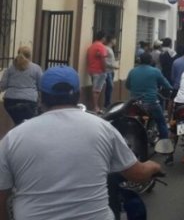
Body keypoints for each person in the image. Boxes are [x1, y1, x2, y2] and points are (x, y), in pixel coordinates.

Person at [0, 66, 162, 220]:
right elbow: (137, 174)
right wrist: (154, 166)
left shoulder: (13, 138)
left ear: (41, 96)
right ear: (77, 95)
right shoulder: (103, 129)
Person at [126, 52, 173, 145]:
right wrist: (170, 88)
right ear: (151, 61)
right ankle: (165, 144)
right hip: (151, 103)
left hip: (135, 103)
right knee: (161, 122)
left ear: (139, 61)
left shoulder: (132, 71)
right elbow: (167, 85)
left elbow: (127, 85)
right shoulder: (155, 71)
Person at [0, 46, 43, 126]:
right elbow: (41, 86)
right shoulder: (36, 68)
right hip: (29, 101)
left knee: (17, 122)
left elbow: (3, 85)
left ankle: (14, 135)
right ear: (30, 56)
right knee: (26, 125)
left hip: (10, 101)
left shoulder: (10, 68)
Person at [87, 30, 107, 113]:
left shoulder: (92, 46)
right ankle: (96, 107)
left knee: (96, 89)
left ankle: (97, 106)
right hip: (99, 71)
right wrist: (105, 69)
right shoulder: (101, 46)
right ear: (103, 38)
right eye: (105, 37)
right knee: (97, 90)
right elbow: (103, 59)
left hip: (92, 70)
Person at [103, 35, 119, 109]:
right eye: (115, 40)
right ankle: (107, 104)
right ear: (111, 40)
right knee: (110, 86)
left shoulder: (110, 49)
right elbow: (105, 61)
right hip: (107, 71)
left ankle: (107, 103)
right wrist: (113, 66)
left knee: (110, 87)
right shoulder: (106, 49)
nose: (116, 41)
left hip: (111, 71)